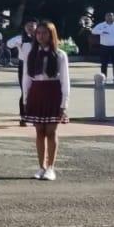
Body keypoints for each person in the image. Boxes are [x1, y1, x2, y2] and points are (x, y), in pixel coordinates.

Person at [23, 21, 71, 180]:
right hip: (37, 92)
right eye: (38, 33)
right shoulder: (31, 53)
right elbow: (27, 78)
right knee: (39, 131)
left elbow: (65, 80)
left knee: (51, 131)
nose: (41, 36)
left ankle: (51, 167)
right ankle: (41, 166)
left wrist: (64, 104)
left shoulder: (60, 54)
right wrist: (26, 97)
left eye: (44, 33)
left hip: (53, 92)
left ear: (51, 35)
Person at [6, 19, 39, 127]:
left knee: (36, 90)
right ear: (24, 27)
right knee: (24, 90)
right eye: (28, 26)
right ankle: (23, 116)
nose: (30, 28)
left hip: (37, 65)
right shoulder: (20, 38)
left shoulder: (39, 38)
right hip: (23, 65)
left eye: (32, 26)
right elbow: (9, 44)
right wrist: (18, 42)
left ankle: (35, 115)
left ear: (36, 26)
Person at [92, 12, 114, 82]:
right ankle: (104, 78)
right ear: (105, 17)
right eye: (108, 16)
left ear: (113, 17)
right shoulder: (101, 25)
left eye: (111, 16)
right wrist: (102, 31)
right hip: (104, 47)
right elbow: (93, 31)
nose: (110, 17)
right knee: (104, 63)